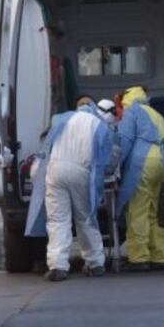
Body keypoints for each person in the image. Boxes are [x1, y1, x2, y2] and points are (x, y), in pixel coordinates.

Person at [25, 101, 116, 282]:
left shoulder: (61, 119)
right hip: (82, 172)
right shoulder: (100, 126)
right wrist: (97, 191)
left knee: (58, 220)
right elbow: (103, 163)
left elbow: (46, 146)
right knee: (85, 218)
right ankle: (95, 262)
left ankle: (57, 266)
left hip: (55, 170)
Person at [117, 86, 164, 271]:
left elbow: (125, 140)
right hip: (162, 162)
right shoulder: (155, 113)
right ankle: (160, 256)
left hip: (144, 161)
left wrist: (115, 166)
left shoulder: (132, 112)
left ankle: (139, 258)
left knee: (137, 210)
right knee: (156, 211)